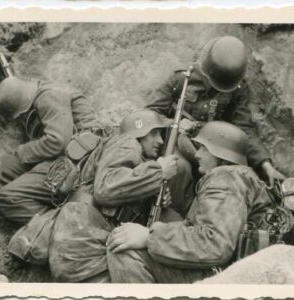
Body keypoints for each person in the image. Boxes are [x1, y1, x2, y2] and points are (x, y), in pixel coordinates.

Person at [106, 121, 273, 283]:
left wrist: (149, 237)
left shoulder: (225, 180)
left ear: (219, 154)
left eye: (203, 149)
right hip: (234, 268)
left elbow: (215, 244)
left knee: (125, 251)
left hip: (222, 274)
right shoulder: (238, 178)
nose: (197, 154)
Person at [146, 35, 284, 215]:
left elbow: (243, 129)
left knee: (227, 175)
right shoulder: (182, 78)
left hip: (212, 145)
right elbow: (151, 112)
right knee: (180, 169)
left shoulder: (238, 87)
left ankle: (210, 220)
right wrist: (176, 123)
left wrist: (265, 165)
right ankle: (175, 218)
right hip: (181, 141)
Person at [48, 109, 180, 282]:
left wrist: (155, 194)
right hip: (82, 244)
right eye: (154, 133)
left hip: (81, 242)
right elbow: (106, 188)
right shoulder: (127, 143)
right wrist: (158, 172)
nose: (160, 141)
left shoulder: (137, 157)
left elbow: (121, 192)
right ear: (138, 134)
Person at [0, 76, 100, 224]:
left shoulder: (50, 95)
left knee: (8, 197)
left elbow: (57, 142)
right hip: (56, 156)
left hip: (77, 161)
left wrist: (22, 151)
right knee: (0, 167)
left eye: (19, 117)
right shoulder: (38, 95)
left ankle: (58, 226)